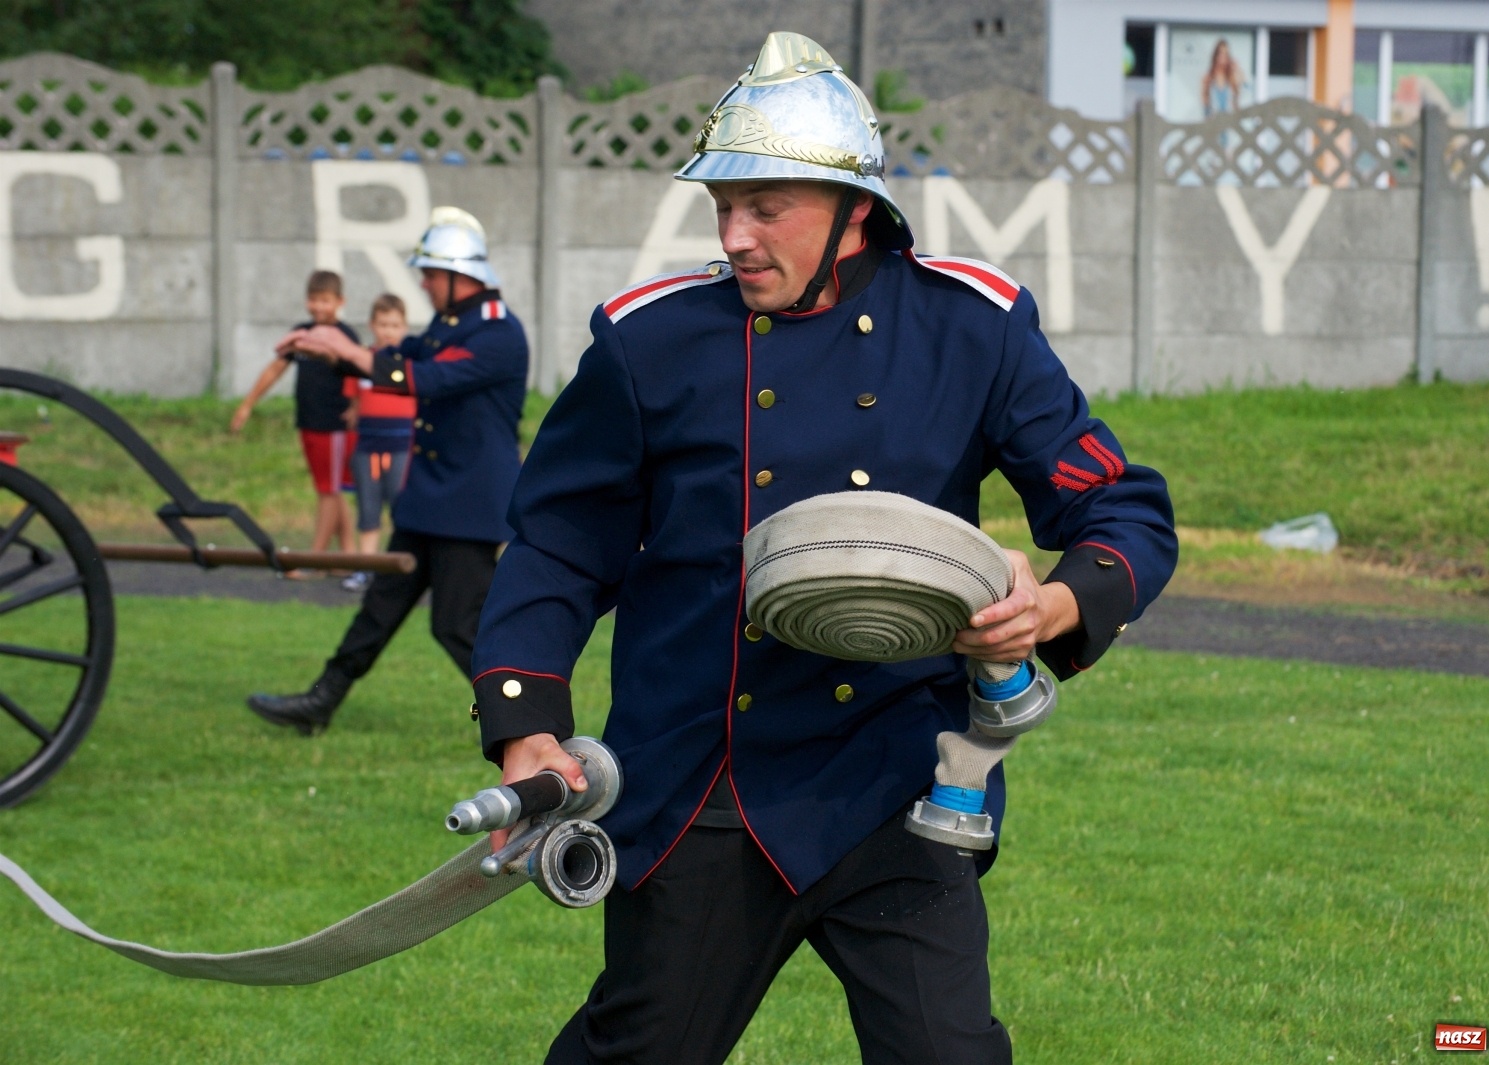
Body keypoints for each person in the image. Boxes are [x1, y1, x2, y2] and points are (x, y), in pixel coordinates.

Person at [468, 32, 1178, 1065]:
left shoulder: (968, 328)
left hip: (904, 776)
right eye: (722, 207)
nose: (736, 236)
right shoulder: (648, 343)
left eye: (766, 207)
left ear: (856, 211)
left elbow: (1120, 510)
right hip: (704, 783)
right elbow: (557, 548)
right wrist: (524, 724)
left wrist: (1054, 606)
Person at [245, 208, 528, 735]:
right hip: (430, 500)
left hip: (469, 504)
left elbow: (425, 378)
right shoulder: (453, 324)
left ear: (457, 275)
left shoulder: (499, 334)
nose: (421, 283)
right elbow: (397, 355)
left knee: (457, 626)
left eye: (428, 274)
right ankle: (320, 702)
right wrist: (329, 352)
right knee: (378, 608)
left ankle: (528, 721)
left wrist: (349, 350)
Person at [230, 269, 358, 572]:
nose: (319, 307)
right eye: (314, 300)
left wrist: (356, 407)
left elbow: (360, 371)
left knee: (330, 491)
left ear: (340, 302)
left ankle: (315, 558)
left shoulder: (345, 336)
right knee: (329, 489)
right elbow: (275, 369)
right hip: (309, 423)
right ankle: (347, 557)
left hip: (335, 426)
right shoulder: (300, 335)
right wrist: (248, 404)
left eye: (325, 300)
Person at [339, 293, 415, 593]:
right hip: (367, 448)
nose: (388, 330)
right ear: (372, 325)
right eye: (383, 324)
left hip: (401, 447)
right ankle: (366, 568)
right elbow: (353, 403)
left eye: (395, 324)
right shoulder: (361, 362)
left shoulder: (411, 364)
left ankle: (401, 567)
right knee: (368, 509)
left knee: (402, 508)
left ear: (404, 327)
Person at [1202, 38, 1247, 116]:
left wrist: (1237, 69)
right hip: (1213, 122)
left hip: (1230, 122)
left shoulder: (1232, 78)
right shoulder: (1208, 78)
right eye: (1220, 53)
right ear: (1215, 55)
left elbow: (1244, 90)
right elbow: (1205, 104)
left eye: (1226, 54)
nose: (1223, 57)